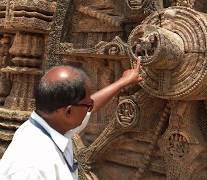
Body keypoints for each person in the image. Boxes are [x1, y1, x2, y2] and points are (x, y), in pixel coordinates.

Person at [0, 60, 142, 179]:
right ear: (68, 111)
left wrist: (123, 82)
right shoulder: (34, 167)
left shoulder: (50, 125)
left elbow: (91, 104)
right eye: (87, 105)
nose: (90, 108)